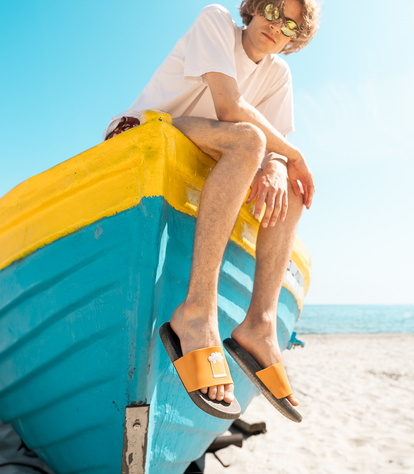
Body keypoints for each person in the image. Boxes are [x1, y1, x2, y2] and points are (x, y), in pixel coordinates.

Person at [105, 0, 320, 421]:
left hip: (212, 154)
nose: (277, 27)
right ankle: (197, 311)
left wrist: (279, 168)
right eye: (274, 12)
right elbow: (229, 107)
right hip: (148, 134)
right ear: (255, 8)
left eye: (290, 25)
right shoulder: (216, 20)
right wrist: (289, 153)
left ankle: (259, 325)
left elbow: (273, 150)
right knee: (250, 141)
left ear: (295, 38)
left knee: (292, 186)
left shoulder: (278, 74)